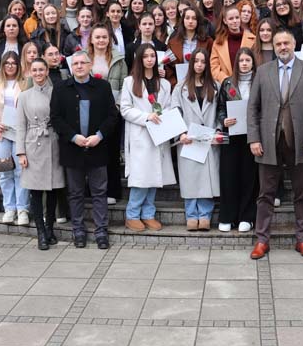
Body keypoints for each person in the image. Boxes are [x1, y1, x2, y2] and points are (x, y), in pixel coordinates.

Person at [247, 29, 303, 260]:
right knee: (265, 194)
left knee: (302, 193)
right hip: (268, 142)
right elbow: (253, 108)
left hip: (301, 143)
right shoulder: (263, 71)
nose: (282, 47)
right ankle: (262, 240)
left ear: (294, 45)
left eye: (286, 43)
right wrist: (254, 138)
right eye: (278, 43)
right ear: (274, 46)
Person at [52, 51, 119, 248]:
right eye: (75, 64)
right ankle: (78, 231)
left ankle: (101, 232)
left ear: (90, 66)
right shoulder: (61, 88)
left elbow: (112, 116)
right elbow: (55, 118)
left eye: (83, 63)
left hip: (98, 148)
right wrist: (74, 137)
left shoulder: (103, 87)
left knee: (99, 192)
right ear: (71, 67)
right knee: (75, 193)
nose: (79, 66)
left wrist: (99, 136)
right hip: (72, 149)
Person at [120, 44, 176, 232]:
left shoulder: (165, 84)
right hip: (141, 134)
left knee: (155, 176)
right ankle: (132, 215)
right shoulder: (130, 82)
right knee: (141, 178)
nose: (150, 59)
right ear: (139, 59)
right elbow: (125, 109)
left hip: (159, 133)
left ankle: (148, 214)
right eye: (145, 56)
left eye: (152, 56)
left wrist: (163, 116)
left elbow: (169, 107)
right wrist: (146, 117)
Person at [16, 59, 64, 250]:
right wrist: (21, 152)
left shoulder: (56, 92)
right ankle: (40, 232)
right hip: (33, 144)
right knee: (35, 191)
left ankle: (50, 229)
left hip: (53, 142)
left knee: (52, 190)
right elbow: (21, 126)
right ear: (30, 72)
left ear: (47, 71)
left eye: (41, 70)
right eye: (34, 70)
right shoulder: (24, 96)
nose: (38, 73)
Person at [171, 48, 220, 230]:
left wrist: (218, 131)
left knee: (207, 179)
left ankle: (205, 215)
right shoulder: (180, 87)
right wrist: (181, 133)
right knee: (190, 179)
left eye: (203, 61)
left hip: (208, 139)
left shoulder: (215, 86)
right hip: (188, 139)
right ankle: (191, 215)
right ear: (191, 64)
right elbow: (174, 112)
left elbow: (220, 112)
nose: (199, 65)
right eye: (196, 61)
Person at [0, 51, 30, 225]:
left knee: (20, 171)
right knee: (4, 171)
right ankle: (9, 208)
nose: (10, 66)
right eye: (7, 63)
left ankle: (23, 208)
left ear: (18, 65)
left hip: (19, 132)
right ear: (2, 65)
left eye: (13, 63)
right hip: (0, 132)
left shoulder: (25, 82)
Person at [217, 48, 259, 232]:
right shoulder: (228, 83)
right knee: (229, 176)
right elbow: (220, 108)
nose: (244, 63)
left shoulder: (259, 81)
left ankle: (246, 217)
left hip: (252, 136)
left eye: (247, 60)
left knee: (249, 177)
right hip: (231, 135)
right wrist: (223, 120)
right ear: (236, 63)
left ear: (253, 62)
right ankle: (228, 216)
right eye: (241, 60)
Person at [88, 23, 127, 205]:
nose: (101, 40)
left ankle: (112, 191)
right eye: (97, 37)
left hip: (112, 112)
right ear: (91, 39)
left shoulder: (119, 59)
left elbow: (124, 85)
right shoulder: (84, 58)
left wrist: (117, 107)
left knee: (111, 153)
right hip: (89, 112)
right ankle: (92, 190)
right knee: (92, 153)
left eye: (104, 37)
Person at [166, 6, 213, 88]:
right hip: (179, 86)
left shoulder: (208, 42)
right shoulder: (172, 43)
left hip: (202, 84)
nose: (190, 21)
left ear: (198, 21)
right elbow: (168, 67)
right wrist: (175, 85)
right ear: (183, 20)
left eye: (194, 18)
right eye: (187, 18)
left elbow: (211, 64)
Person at [210, 5, 257, 83]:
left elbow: (257, 63)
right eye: (231, 19)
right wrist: (226, 80)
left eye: (237, 17)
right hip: (226, 84)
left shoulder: (253, 39)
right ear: (225, 21)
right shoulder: (218, 43)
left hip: (249, 82)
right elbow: (214, 67)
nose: (235, 21)